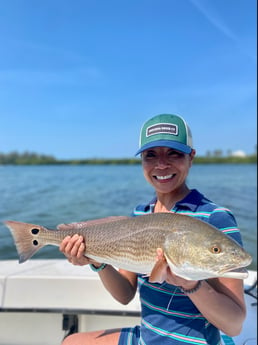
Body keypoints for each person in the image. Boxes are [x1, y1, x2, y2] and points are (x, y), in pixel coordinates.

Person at [60, 113, 247, 345]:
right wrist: (96, 262)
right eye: (150, 155)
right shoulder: (140, 214)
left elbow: (234, 324)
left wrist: (191, 285)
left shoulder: (215, 218)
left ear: (191, 157)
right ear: (142, 161)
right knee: (71, 342)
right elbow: (124, 295)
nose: (161, 164)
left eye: (174, 153)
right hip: (146, 337)